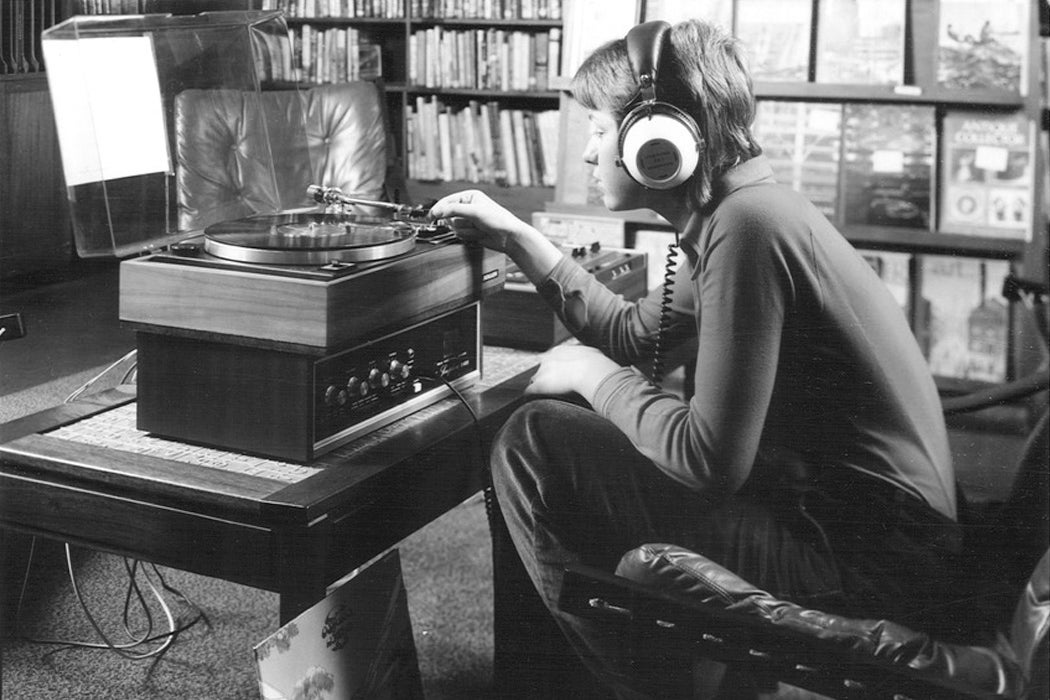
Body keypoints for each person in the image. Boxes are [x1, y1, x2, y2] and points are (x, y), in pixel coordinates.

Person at [429, 18, 968, 699]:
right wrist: (518, 238)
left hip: (868, 561)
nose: (589, 154)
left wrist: (597, 377)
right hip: (859, 527)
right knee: (572, 418)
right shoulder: (740, 209)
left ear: (657, 139)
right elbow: (632, 332)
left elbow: (707, 460)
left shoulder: (748, 228)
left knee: (535, 439)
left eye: (598, 130)